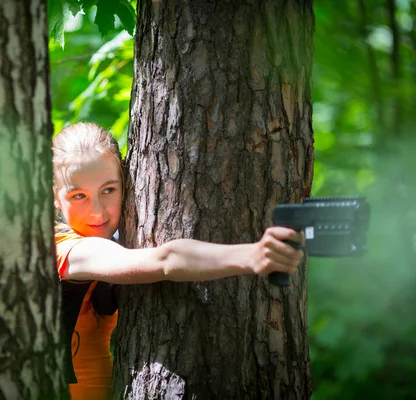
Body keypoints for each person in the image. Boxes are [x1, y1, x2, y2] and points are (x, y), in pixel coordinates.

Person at [52, 122, 304, 400]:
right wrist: (252, 255)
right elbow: (166, 260)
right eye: (79, 196)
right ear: (55, 198)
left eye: (108, 190)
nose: (97, 211)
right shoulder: (63, 249)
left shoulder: (110, 241)